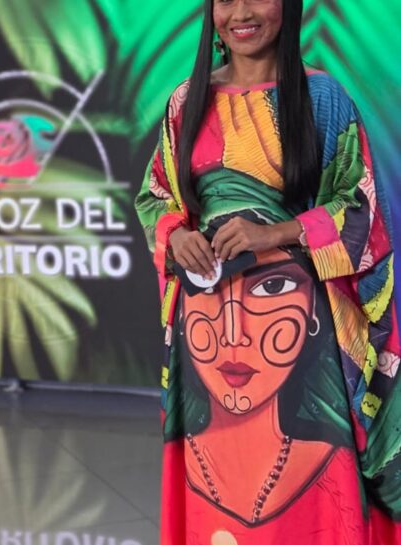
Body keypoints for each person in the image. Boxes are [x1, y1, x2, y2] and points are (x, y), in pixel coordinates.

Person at [134, 1, 399, 544]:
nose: (241, 13)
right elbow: (155, 196)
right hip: (206, 331)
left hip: (299, 336)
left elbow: (363, 209)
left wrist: (277, 233)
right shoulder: (186, 102)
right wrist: (176, 235)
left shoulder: (322, 98)